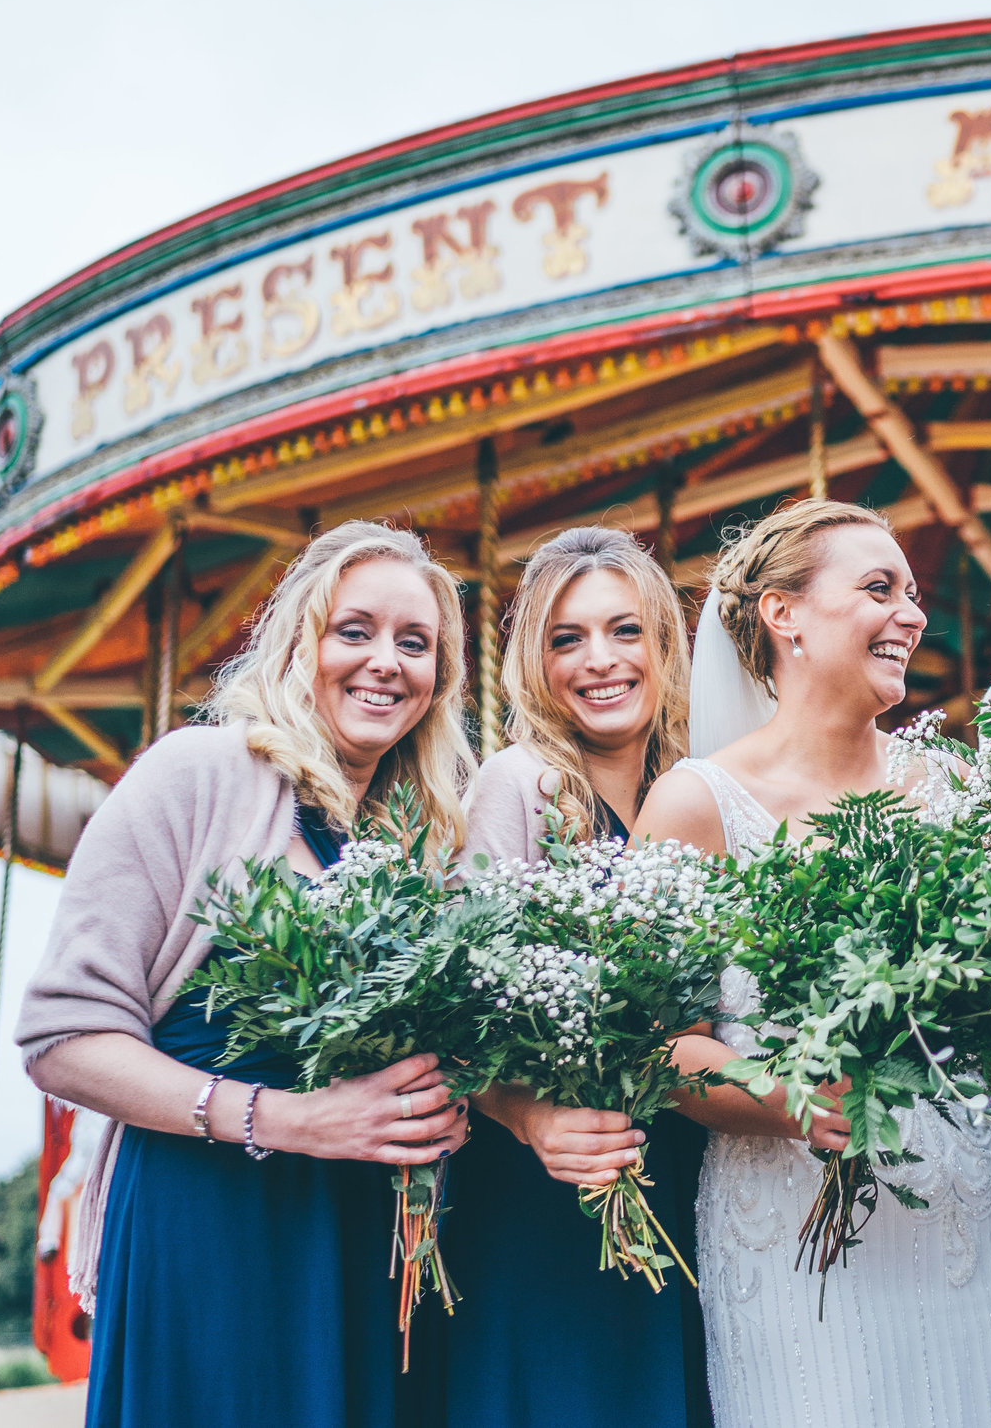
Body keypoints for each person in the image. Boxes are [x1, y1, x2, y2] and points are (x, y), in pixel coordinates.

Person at [14, 521, 477, 1428]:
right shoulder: (199, 774)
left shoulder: (423, 839)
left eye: (414, 643)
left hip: (358, 1240)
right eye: (356, 631)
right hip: (211, 1221)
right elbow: (62, 1036)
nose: (385, 662)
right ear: (301, 639)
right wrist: (290, 1118)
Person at [633, 497, 991, 1428]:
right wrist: (796, 1096)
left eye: (912, 593)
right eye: (878, 588)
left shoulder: (955, 790)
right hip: (795, 1244)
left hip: (971, 1219)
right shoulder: (696, 804)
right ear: (783, 613)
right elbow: (659, 1049)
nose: (911, 614)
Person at [439, 526, 711, 1428]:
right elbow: (457, 1011)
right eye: (567, 637)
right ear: (535, 660)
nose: (601, 660)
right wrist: (532, 1118)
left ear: (663, 645)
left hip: (680, 1164)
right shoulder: (515, 786)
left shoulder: (698, 788)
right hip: (547, 1180)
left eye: (625, 631)